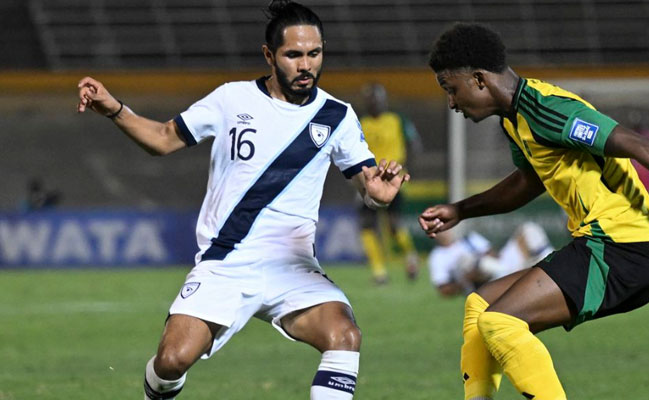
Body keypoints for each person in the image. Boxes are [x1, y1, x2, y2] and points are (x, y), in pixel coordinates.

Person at [77, 1, 409, 399]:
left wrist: (379, 196)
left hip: (293, 268)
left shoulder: (337, 116)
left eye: (314, 53)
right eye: (294, 55)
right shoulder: (232, 100)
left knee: (345, 336)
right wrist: (115, 109)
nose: (306, 65)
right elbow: (163, 139)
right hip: (228, 263)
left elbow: (368, 185)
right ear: (269, 55)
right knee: (171, 360)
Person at [418, 23, 649, 400]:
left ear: (479, 79)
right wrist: (461, 209)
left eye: (451, 90)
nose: (452, 103)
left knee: (502, 323)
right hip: (604, 244)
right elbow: (527, 182)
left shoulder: (546, 109)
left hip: (624, 248)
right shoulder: (515, 120)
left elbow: (636, 145)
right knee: (480, 305)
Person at [357, 82, 423, 284]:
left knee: (393, 226)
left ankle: (410, 256)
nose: (374, 103)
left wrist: (408, 169)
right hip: (369, 180)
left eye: (376, 99)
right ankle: (379, 273)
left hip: (393, 180)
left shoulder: (397, 120)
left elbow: (414, 144)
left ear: (384, 100)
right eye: (370, 100)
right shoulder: (361, 123)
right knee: (368, 225)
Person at [428, 222, 553, 297]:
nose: (444, 232)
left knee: (529, 229)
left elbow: (493, 254)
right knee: (468, 261)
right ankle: (523, 272)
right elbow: (443, 289)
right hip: (482, 285)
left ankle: (549, 265)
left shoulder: (469, 239)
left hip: (500, 265)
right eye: (439, 229)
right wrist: (465, 281)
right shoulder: (437, 256)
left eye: (445, 227)